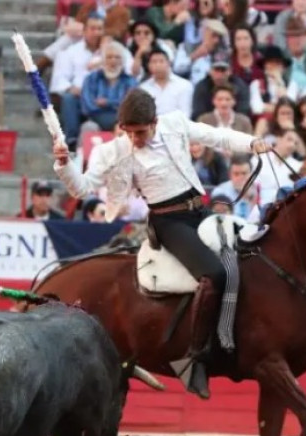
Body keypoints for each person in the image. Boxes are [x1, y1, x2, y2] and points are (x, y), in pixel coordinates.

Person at [52, 87, 270, 399]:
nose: (135, 139)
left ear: (154, 122)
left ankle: (232, 339)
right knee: (215, 275)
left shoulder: (176, 123)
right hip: (168, 222)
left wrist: (252, 143)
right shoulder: (111, 151)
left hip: (200, 212)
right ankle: (193, 358)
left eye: (140, 132)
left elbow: (217, 137)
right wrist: (64, 166)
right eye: (129, 132)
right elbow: (81, 189)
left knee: (248, 256)